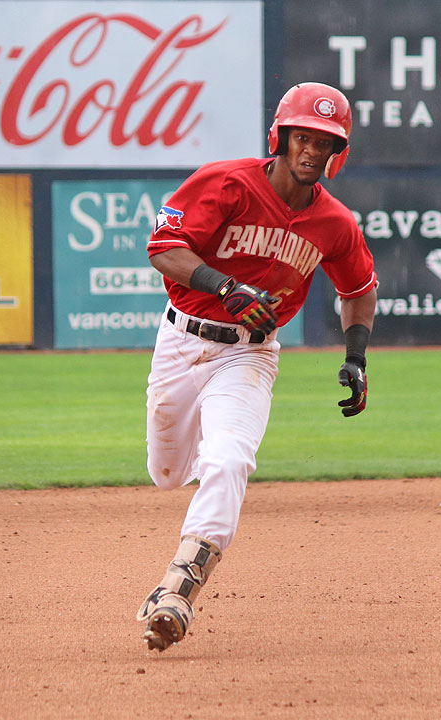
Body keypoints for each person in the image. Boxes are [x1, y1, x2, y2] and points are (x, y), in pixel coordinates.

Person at [136, 82, 378, 652]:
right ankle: (193, 485)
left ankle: (178, 588)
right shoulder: (226, 183)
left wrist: (356, 356)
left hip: (249, 353)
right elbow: (164, 249)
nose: (312, 151)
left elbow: (360, 290)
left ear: (337, 152)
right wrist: (226, 286)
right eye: (303, 137)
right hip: (182, 340)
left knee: (228, 459)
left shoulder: (335, 222)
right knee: (166, 473)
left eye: (325, 142)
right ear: (281, 136)